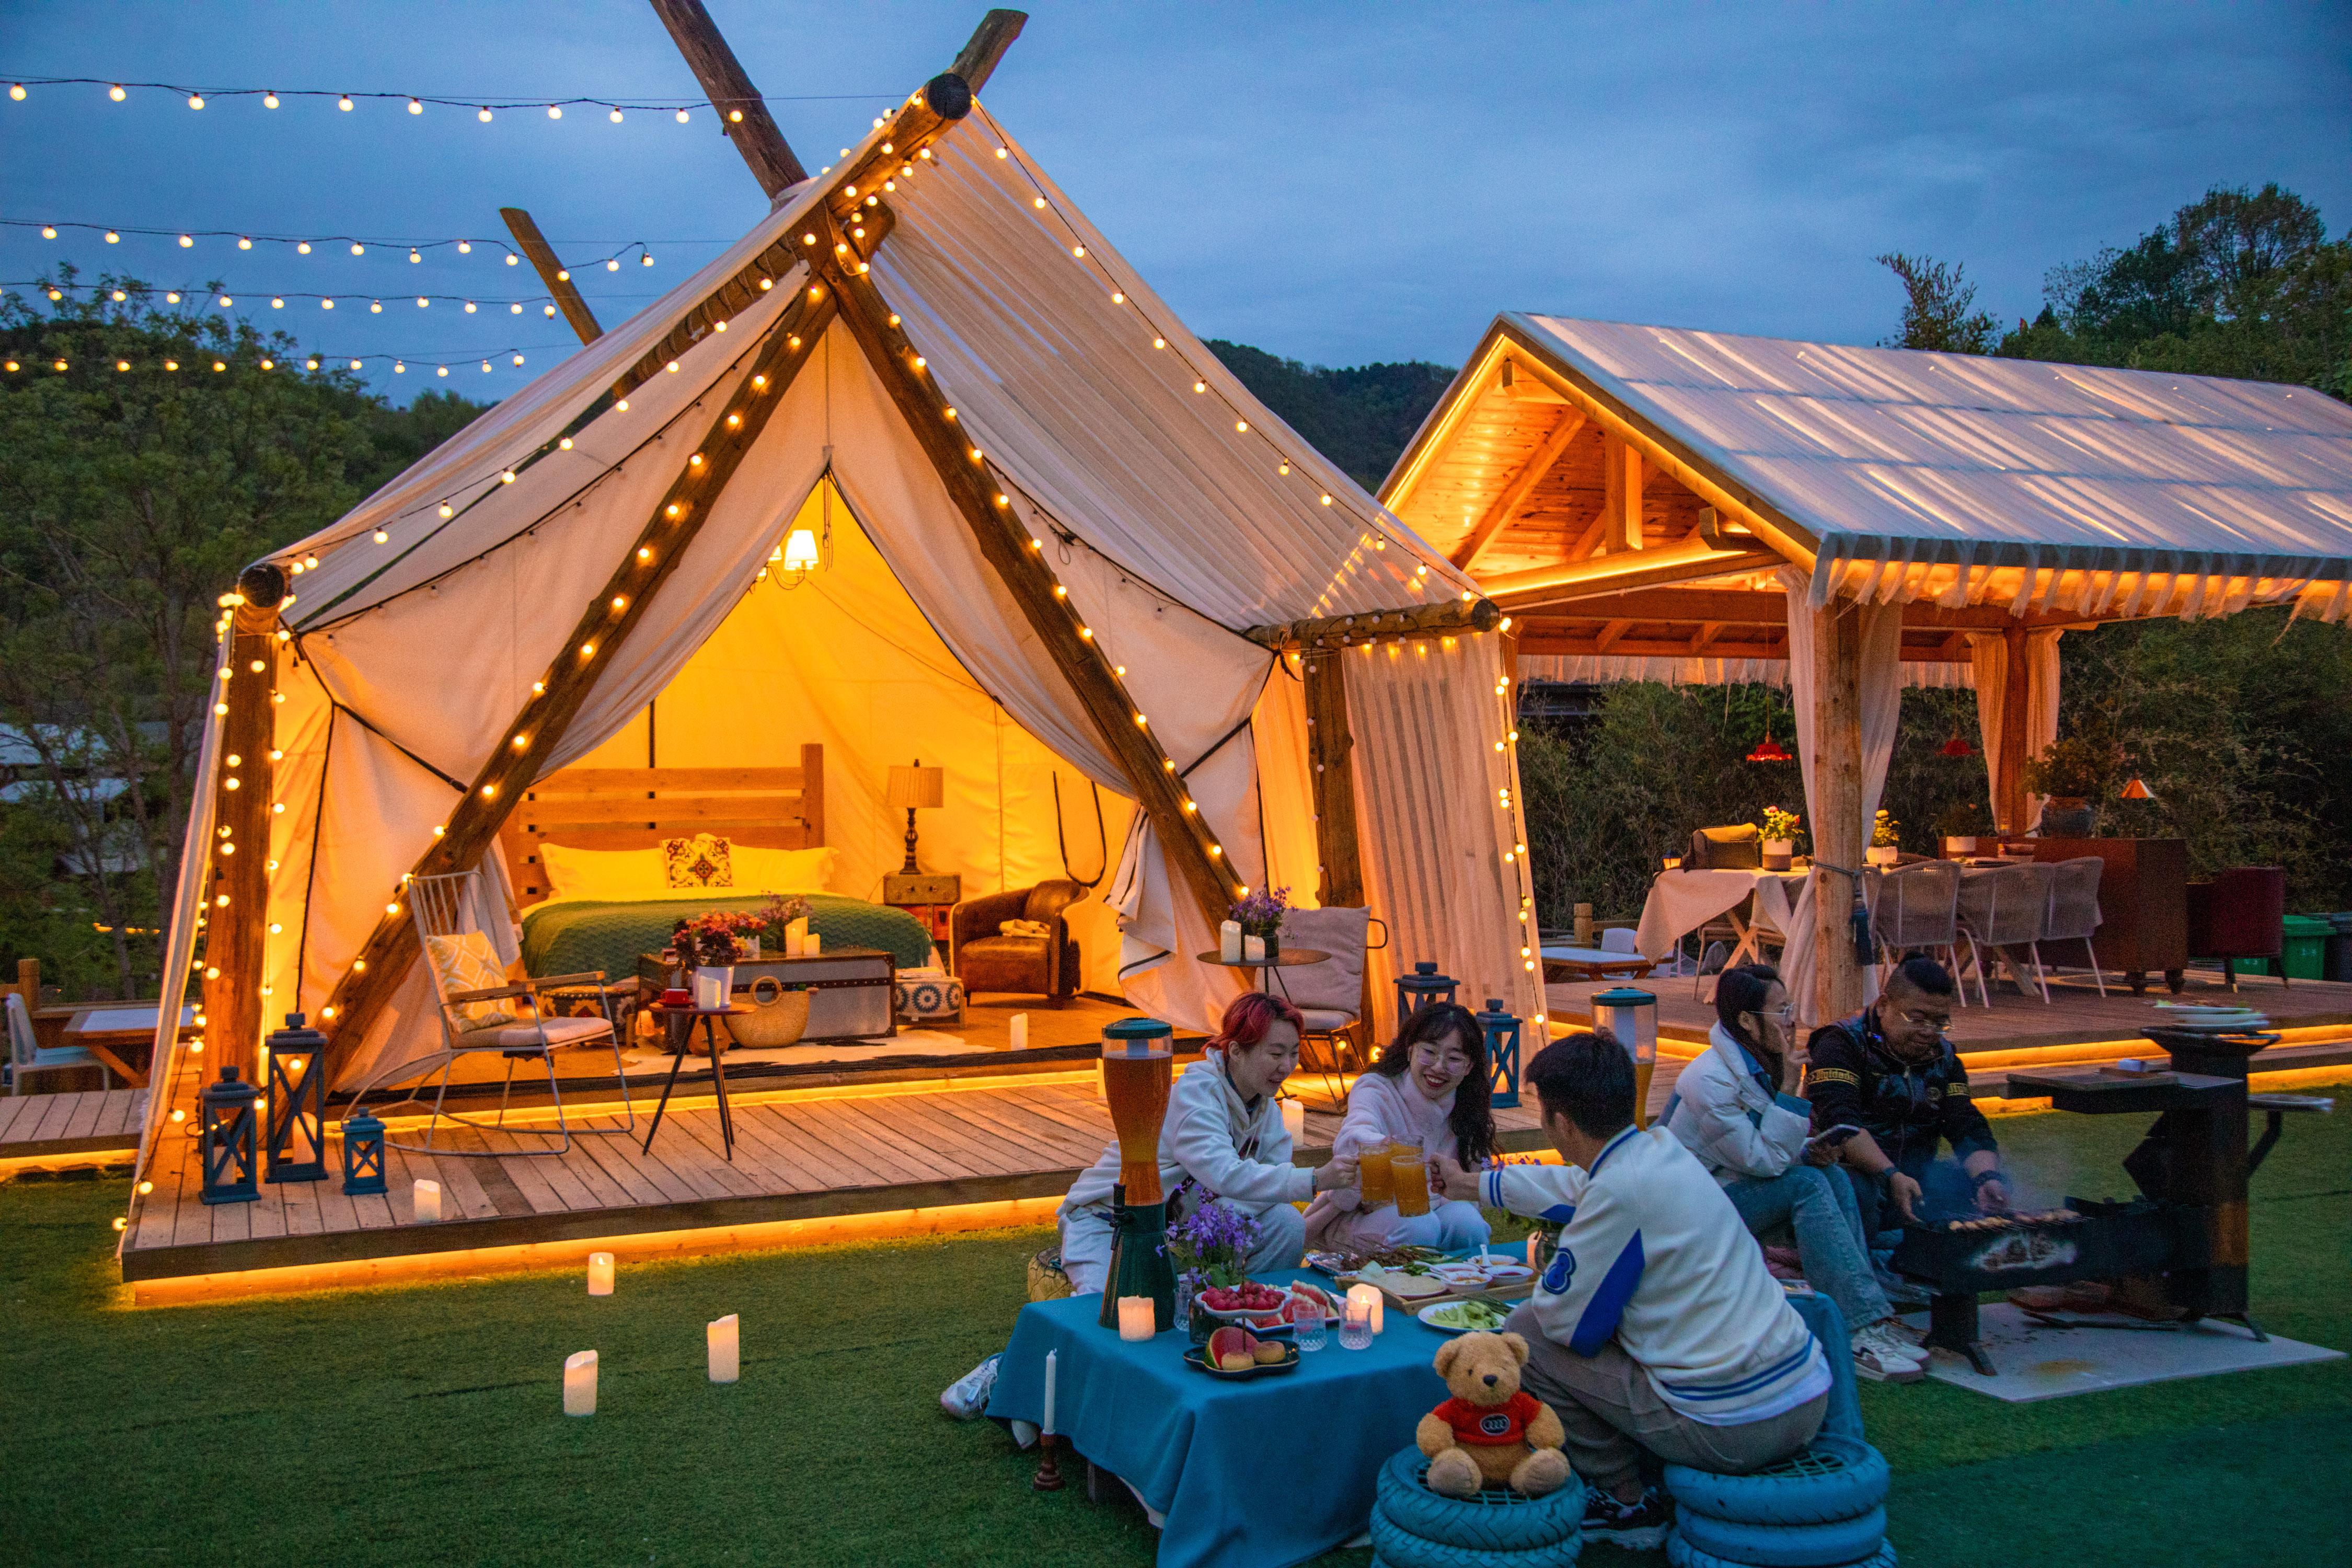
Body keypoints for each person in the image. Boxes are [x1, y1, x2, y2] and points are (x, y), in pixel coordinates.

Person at [1435, 1032, 1829, 1551]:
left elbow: (1570, 1326)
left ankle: (1624, 1500)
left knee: (1525, 1332)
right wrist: (1471, 1185)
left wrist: (1559, 1277)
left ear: (1561, 1122)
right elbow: (1583, 1188)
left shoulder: (1620, 1193)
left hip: (1732, 1429)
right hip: (1805, 1398)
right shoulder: (1661, 1150)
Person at [1661, 965, 1926, 1382]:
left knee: (1832, 1177)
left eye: (1791, 1009)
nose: (1791, 1022)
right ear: (1747, 1021)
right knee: (1806, 1186)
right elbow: (1763, 1161)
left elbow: (1763, 1154)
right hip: (1692, 1210)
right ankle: (1856, 1328)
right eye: (1781, 1012)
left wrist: (1809, 1151)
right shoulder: (1709, 1080)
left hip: (1730, 1186)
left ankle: (1862, 1316)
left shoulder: (1758, 1062)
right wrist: (1788, 1093)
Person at [1055, 993, 1358, 1296]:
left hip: (1179, 1235)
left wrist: (1225, 1211)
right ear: (1237, 1051)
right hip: (1111, 1223)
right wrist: (1316, 1179)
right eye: (1276, 1054)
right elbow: (1223, 1173)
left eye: (1293, 1053)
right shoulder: (1197, 1095)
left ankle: (1248, 1314)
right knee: (1108, 1309)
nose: (1287, 1066)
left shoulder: (1266, 1112)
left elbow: (1269, 1188)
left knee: (1285, 1223)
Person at [1806, 955, 2007, 1249]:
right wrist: (1891, 1175)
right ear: (1885, 1005)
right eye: (1917, 1018)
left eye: (1940, 1023)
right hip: (1852, 1171)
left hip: (1916, 1173)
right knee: (1858, 1190)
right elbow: (1841, 1122)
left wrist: (1987, 1178)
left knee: (1984, 1184)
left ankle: (1949, 1284)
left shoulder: (1945, 1058)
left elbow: (1965, 1123)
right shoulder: (1840, 1044)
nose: (1928, 1032)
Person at [1305, 1002, 1495, 1254]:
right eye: (1430, 1052)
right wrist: (1381, 1147)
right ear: (1410, 1052)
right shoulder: (1376, 1088)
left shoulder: (1467, 1105)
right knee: (1420, 1227)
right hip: (1364, 1213)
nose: (1439, 1067)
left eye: (1454, 1059)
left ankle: (1457, 1287)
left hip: (1435, 1207)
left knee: (1469, 1224)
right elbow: (1356, 1130)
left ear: (1468, 1067)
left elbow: (1474, 1177)